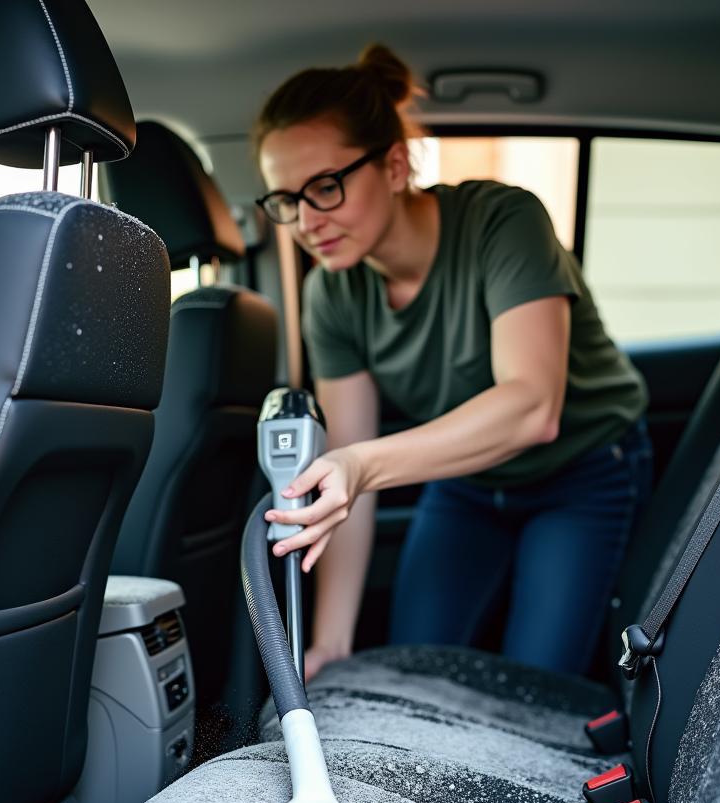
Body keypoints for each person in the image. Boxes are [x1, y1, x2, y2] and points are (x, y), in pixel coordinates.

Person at [254, 44, 651, 682]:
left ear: (394, 165)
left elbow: (532, 406)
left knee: (535, 681)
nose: (306, 220)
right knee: (413, 666)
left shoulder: (503, 222)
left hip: (580, 472)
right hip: (465, 482)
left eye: (325, 188)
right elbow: (345, 471)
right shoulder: (332, 292)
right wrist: (330, 643)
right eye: (285, 200)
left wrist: (359, 465)